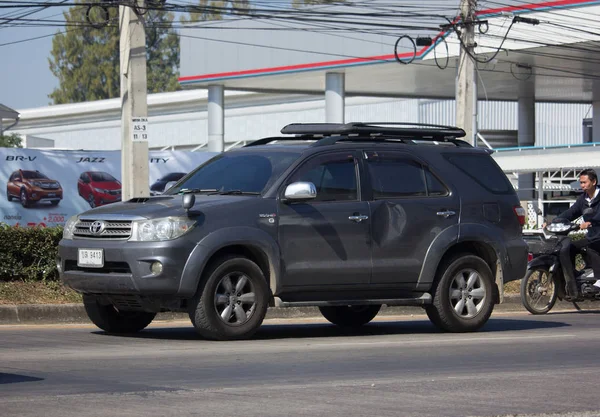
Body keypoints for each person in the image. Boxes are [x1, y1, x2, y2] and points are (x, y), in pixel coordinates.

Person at [551, 169, 600, 299]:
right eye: (581, 183)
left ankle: (599, 280)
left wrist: (589, 222)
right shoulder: (583, 199)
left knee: (592, 246)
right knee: (570, 248)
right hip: (592, 236)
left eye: (584, 182)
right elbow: (571, 213)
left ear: (594, 181)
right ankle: (574, 280)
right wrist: (554, 221)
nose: (582, 185)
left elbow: (597, 217)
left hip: (597, 239)